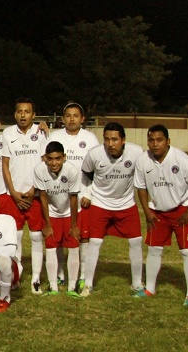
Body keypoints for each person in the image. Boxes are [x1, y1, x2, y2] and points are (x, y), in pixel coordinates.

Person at [133, 124, 188, 306]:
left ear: (168, 141)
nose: (155, 144)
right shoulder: (143, 160)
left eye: (159, 140)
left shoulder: (181, 159)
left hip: (181, 211)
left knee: (187, 251)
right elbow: (140, 187)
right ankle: (150, 289)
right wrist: (147, 211)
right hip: (157, 213)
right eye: (151, 140)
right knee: (154, 250)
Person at [79, 122, 144, 297]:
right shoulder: (94, 154)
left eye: (115, 139)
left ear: (123, 140)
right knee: (95, 242)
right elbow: (86, 173)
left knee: (136, 241)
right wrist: (88, 193)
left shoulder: (136, 153)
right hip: (100, 204)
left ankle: (137, 284)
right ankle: (88, 284)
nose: (110, 144)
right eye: (107, 139)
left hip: (126, 203)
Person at [47, 102, 99, 289]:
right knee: (59, 238)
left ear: (82, 119)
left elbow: (96, 170)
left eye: (76, 115)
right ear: (62, 119)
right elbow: (47, 164)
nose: (71, 119)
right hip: (59, 198)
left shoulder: (90, 139)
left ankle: (83, 275)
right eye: (68, 115)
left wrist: (88, 193)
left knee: (82, 238)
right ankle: (60, 273)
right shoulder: (55, 136)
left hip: (82, 198)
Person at [1, 97, 47, 294]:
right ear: (15, 114)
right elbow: (5, 164)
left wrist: (34, 190)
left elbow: (45, 163)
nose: (23, 115)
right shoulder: (8, 133)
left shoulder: (41, 132)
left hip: (35, 196)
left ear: (33, 115)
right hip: (15, 195)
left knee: (36, 236)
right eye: (19, 111)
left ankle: (36, 278)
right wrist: (13, 192)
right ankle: (16, 275)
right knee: (16, 237)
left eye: (27, 111)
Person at [33, 141, 81, 296]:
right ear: (45, 158)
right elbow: (43, 197)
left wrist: (73, 225)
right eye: (51, 159)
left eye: (58, 158)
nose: (54, 163)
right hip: (52, 214)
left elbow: (73, 198)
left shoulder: (72, 171)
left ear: (64, 157)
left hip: (68, 213)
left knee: (73, 247)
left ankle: (72, 287)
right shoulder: (39, 170)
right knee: (51, 247)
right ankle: (53, 287)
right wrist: (47, 224)